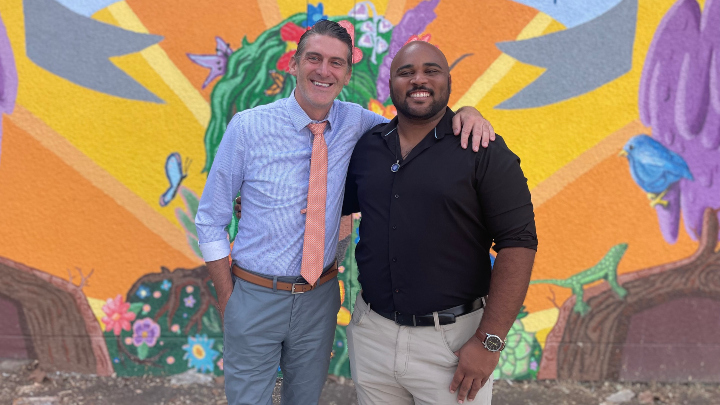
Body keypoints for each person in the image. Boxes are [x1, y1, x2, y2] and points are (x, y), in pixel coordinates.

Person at [195, 20, 495, 405]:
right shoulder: (248, 128)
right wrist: (228, 299)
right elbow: (210, 218)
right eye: (314, 59)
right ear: (293, 64)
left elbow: (416, 124)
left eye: (336, 62)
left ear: (347, 73)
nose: (324, 70)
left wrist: (466, 112)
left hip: (318, 298)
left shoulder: (360, 124)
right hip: (254, 294)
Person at [341, 41, 538, 405]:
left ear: (447, 79)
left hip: (454, 345)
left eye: (431, 70)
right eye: (406, 72)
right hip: (373, 336)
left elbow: (518, 242)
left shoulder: (482, 148)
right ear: (391, 83)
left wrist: (489, 341)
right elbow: (334, 205)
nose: (419, 79)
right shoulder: (368, 147)